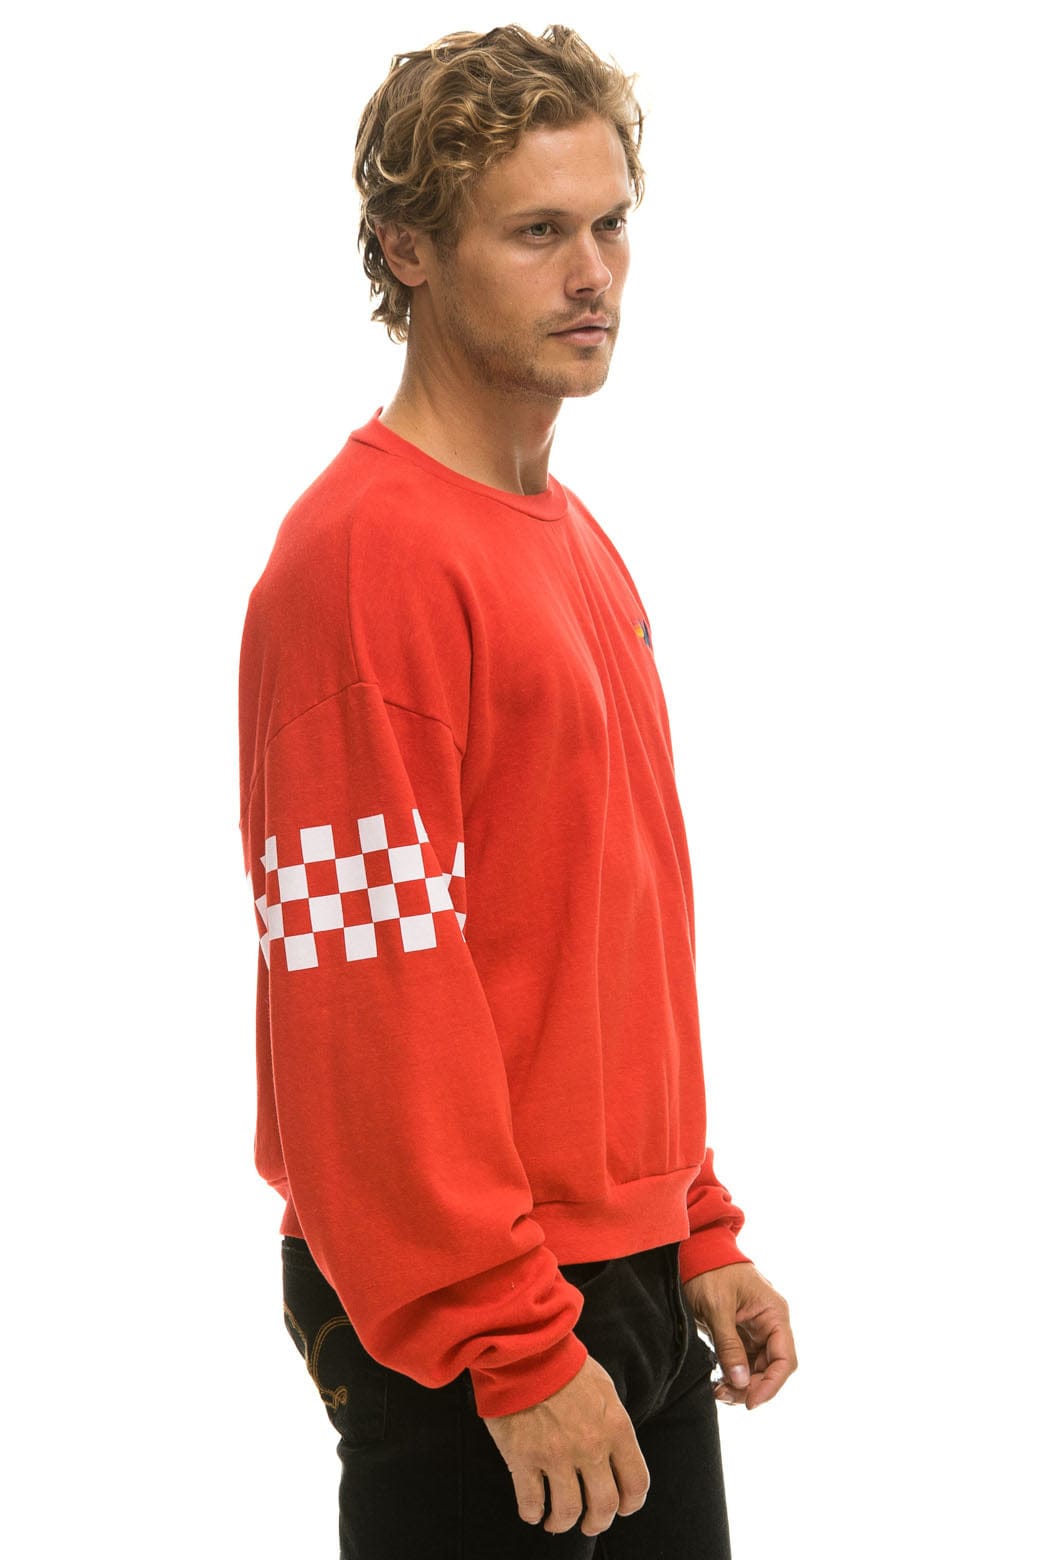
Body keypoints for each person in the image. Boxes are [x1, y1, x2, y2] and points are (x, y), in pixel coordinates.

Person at [238, 23, 796, 1560]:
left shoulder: (571, 537)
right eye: (537, 232)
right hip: (478, 1321)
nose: (593, 274)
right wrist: (506, 1334)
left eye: (610, 224)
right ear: (408, 249)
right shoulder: (363, 563)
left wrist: (691, 1218)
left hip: (620, 1273)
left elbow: (604, 933)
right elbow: (365, 993)